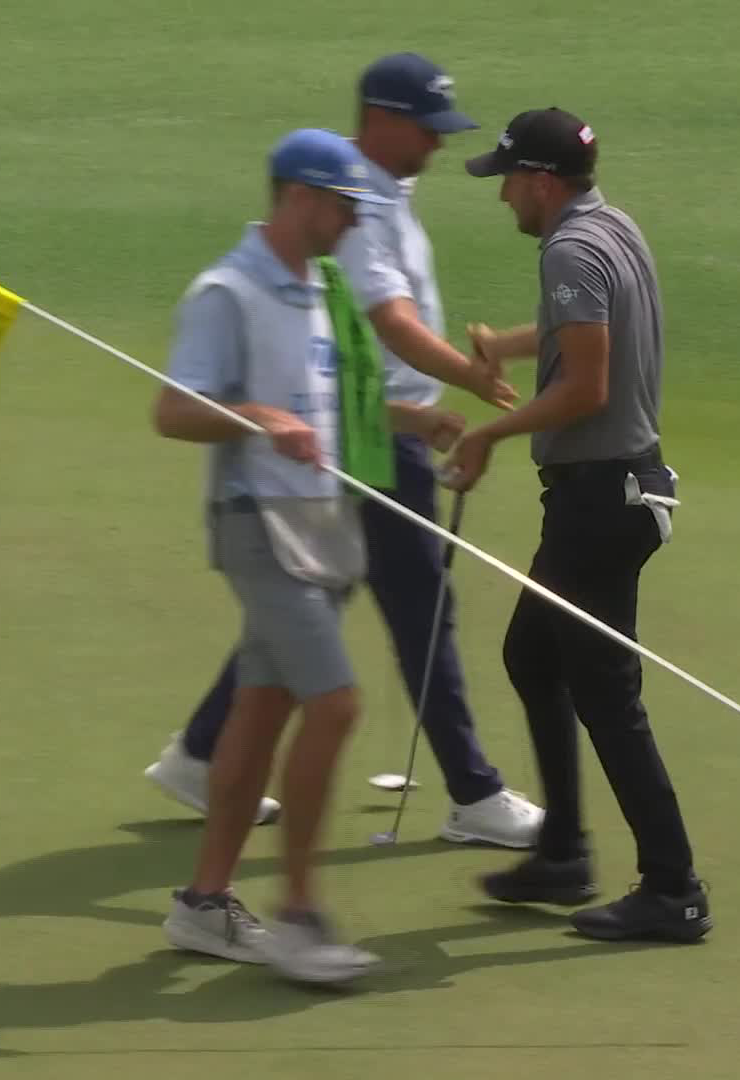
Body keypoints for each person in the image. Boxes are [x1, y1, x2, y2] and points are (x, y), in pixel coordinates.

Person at [143, 52, 544, 849]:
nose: (437, 143)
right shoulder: (344, 204)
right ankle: (473, 792)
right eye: (425, 128)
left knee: (315, 606)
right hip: (360, 442)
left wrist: (417, 413)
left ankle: (199, 754)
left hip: (375, 425)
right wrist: (463, 377)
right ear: (381, 120)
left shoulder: (378, 197)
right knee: (415, 607)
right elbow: (390, 321)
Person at [152, 127, 459, 982]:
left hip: (322, 526)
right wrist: (258, 420)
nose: (353, 222)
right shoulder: (227, 292)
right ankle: (298, 918)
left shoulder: (325, 289)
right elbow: (173, 411)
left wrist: (411, 419)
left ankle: (204, 903)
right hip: (258, 524)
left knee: (261, 710)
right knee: (336, 704)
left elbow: (337, 400)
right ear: (298, 197)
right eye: (342, 207)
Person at [445, 107, 712, 942]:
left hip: (600, 498)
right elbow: (585, 335)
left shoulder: (568, 250)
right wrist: (506, 344)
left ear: (540, 181)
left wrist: (487, 434)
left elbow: (587, 386)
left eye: (508, 181)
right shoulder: (612, 227)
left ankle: (674, 887)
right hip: (613, 489)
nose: (503, 197)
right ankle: (563, 851)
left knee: (607, 696)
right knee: (533, 656)